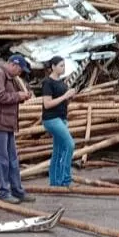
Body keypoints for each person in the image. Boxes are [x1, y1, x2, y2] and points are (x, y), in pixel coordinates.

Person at [0, 55, 36, 204]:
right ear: (14, 65)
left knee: (13, 159)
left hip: (7, 123)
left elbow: (8, 95)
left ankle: (17, 190)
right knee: (2, 159)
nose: (20, 73)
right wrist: (18, 96)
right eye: (20, 70)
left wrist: (23, 95)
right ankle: (3, 192)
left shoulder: (10, 77)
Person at [41, 56, 76, 187]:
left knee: (58, 150)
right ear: (53, 67)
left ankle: (55, 182)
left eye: (64, 65)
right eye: (61, 65)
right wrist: (65, 96)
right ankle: (65, 179)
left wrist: (70, 97)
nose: (63, 68)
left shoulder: (61, 82)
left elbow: (63, 101)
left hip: (62, 118)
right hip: (51, 119)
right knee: (69, 145)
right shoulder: (47, 83)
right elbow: (47, 104)